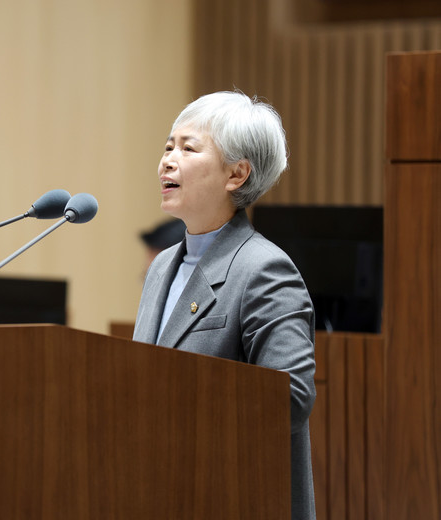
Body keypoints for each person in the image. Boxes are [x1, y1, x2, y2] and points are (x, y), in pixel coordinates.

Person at [133, 91, 316, 520]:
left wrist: (176, 406)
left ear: (237, 174)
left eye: (188, 148)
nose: (167, 161)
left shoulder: (263, 269)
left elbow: (289, 399)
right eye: (168, 147)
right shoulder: (161, 267)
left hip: (233, 495)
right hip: (162, 489)